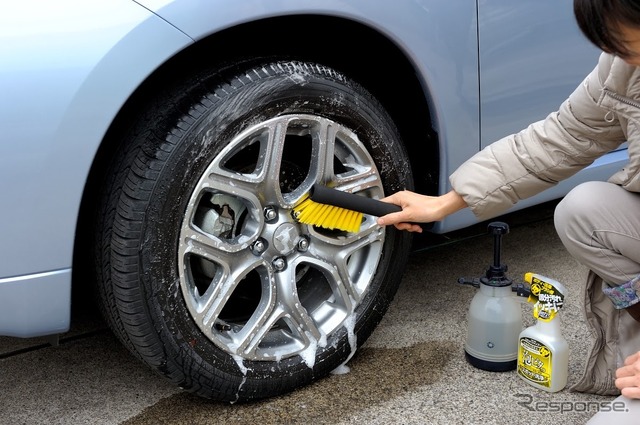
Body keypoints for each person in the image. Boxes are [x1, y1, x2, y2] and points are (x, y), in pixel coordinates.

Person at [377, 0, 640, 399]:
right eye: (623, 50)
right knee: (582, 211)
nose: (629, 62)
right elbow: (561, 138)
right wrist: (445, 202)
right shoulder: (624, 69)